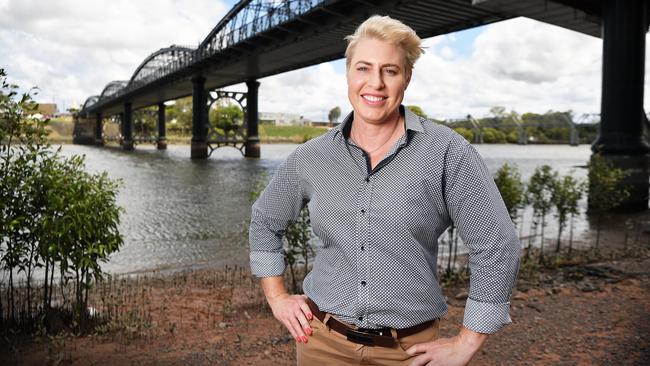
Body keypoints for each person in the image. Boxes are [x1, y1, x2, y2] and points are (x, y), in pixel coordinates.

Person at [249, 15, 521, 366]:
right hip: (320, 343)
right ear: (348, 75)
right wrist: (277, 297)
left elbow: (497, 245)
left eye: (390, 71)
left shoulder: (447, 151)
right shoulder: (311, 156)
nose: (375, 83)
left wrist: (468, 341)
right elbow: (265, 222)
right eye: (363, 68)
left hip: (409, 353)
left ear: (406, 78)